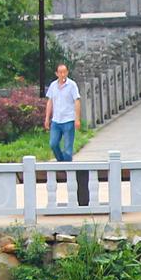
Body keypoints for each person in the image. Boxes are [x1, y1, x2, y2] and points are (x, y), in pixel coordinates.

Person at [42, 63, 88, 204]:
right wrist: (47, 118)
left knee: (68, 150)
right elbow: (50, 102)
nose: (63, 75)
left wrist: (77, 118)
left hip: (68, 119)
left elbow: (77, 101)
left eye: (65, 72)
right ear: (56, 73)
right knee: (53, 143)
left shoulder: (72, 85)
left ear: (67, 72)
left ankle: (68, 175)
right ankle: (62, 165)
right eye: (60, 72)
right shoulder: (53, 86)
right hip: (56, 120)